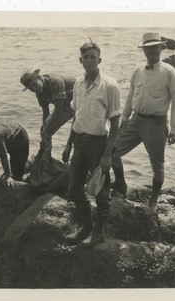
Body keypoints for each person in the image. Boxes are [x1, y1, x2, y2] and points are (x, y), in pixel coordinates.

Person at [111, 32, 175, 215]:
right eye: (147, 48)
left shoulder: (169, 72)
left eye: (154, 47)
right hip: (135, 121)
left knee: (157, 165)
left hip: (156, 124)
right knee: (111, 151)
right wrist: (124, 118)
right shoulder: (138, 70)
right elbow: (130, 96)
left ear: (161, 48)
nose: (151, 51)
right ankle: (120, 184)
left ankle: (154, 199)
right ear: (144, 50)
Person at [62, 39, 121, 246]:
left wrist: (107, 154)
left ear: (100, 59)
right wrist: (69, 144)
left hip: (98, 143)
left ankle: (99, 232)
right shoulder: (78, 84)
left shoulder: (110, 85)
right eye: (85, 57)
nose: (89, 61)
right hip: (79, 141)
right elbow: (76, 117)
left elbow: (115, 123)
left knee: (101, 192)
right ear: (80, 60)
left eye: (92, 57)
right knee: (74, 189)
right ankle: (85, 227)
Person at [20, 69, 75, 148]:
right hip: (64, 104)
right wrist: (44, 128)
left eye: (34, 84)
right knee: (44, 129)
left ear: (39, 78)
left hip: (80, 100)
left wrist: (46, 130)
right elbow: (46, 113)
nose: (34, 89)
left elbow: (58, 110)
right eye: (31, 88)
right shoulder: (39, 93)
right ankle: (46, 155)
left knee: (79, 133)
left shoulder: (55, 81)